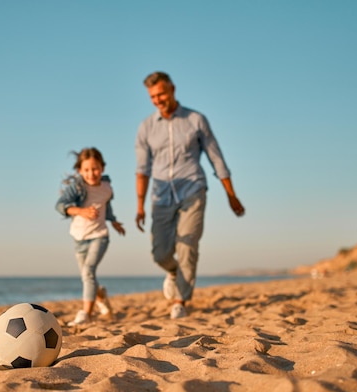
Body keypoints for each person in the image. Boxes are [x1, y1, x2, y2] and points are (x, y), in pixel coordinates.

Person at [135, 71, 245, 319]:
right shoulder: (146, 128)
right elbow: (142, 170)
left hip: (193, 190)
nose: (158, 99)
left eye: (161, 93)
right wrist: (140, 206)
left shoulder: (196, 120)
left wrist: (231, 194)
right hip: (161, 196)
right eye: (153, 96)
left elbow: (216, 158)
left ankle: (179, 301)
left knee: (188, 245)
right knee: (160, 253)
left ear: (172, 89)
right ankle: (173, 272)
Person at [56, 148, 125, 325]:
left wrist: (114, 221)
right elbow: (60, 205)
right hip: (79, 238)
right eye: (86, 170)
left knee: (88, 272)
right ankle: (101, 295)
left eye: (95, 169)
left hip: (100, 235)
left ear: (102, 168)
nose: (91, 173)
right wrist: (81, 211)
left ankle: (86, 314)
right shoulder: (77, 186)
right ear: (80, 170)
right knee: (88, 276)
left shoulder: (107, 188)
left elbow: (106, 207)